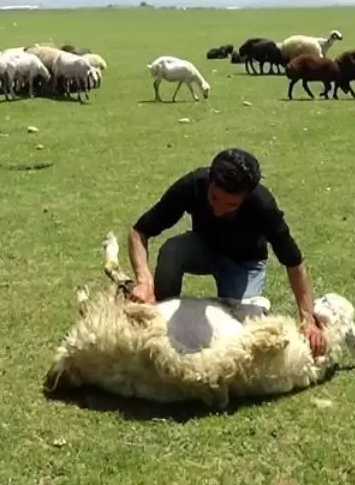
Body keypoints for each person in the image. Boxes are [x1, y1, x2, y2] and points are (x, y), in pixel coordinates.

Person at [126, 148, 327, 356]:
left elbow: (293, 262)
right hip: (203, 247)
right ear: (210, 182)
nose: (219, 210)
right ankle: (157, 314)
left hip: (245, 263)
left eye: (231, 205)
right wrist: (144, 281)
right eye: (214, 198)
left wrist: (308, 318)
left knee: (242, 327)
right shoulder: (193, 184)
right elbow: (139, 231)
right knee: (172, 251)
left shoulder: (263, 205)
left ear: (246, 196)